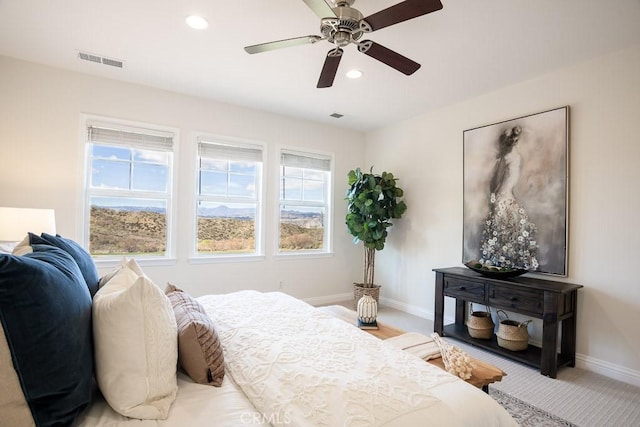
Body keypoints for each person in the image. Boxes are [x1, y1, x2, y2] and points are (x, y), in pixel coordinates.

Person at [479, 125, 539, 271]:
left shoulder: (508, 158)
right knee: (506, 230)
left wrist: (494, 196)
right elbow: (502, 181)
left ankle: (506, 261)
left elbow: (498, 181)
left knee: (506, 230)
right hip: (505, 196)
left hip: (505, 196)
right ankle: (504, 260)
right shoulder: (514, 157)